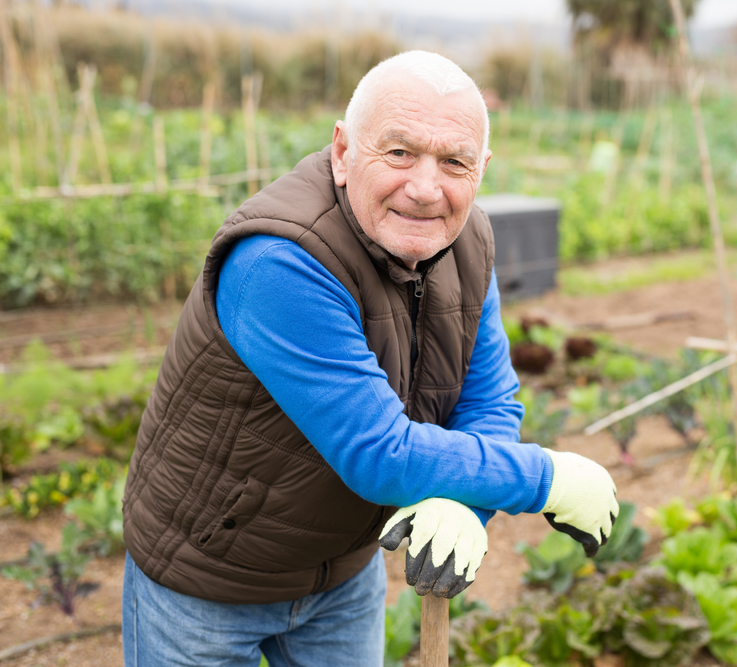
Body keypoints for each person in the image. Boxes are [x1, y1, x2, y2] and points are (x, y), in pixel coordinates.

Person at [120, 50, 618, 667]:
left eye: (454, 162)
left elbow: (487, 398)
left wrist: (465, 504)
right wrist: (546, 479)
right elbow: (378, 453)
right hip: (210, 574)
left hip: (344, 571)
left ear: (482, 169)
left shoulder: (469, 241)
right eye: (400, 152)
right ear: (343, 151)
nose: (425, 188)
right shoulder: (279, 262)